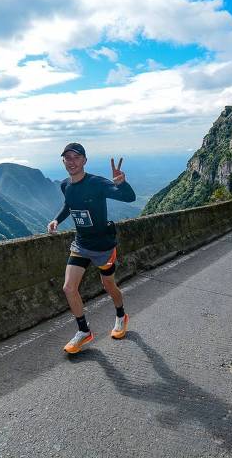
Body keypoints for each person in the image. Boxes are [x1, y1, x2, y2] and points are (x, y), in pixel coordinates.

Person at [48, 142, 136, 354]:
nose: (72, 162)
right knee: (69, 288)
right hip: (81, 244)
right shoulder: (65, 185)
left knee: (108, 286)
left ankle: (120, 315)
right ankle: (84, 331)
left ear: (84, 161)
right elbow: (70, 205)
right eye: (67, 158)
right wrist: (57, 220)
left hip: (104, 246)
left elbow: (129, 198)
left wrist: (122, 183)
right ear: (63, 161)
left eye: (76, 157)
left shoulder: (97, 183)